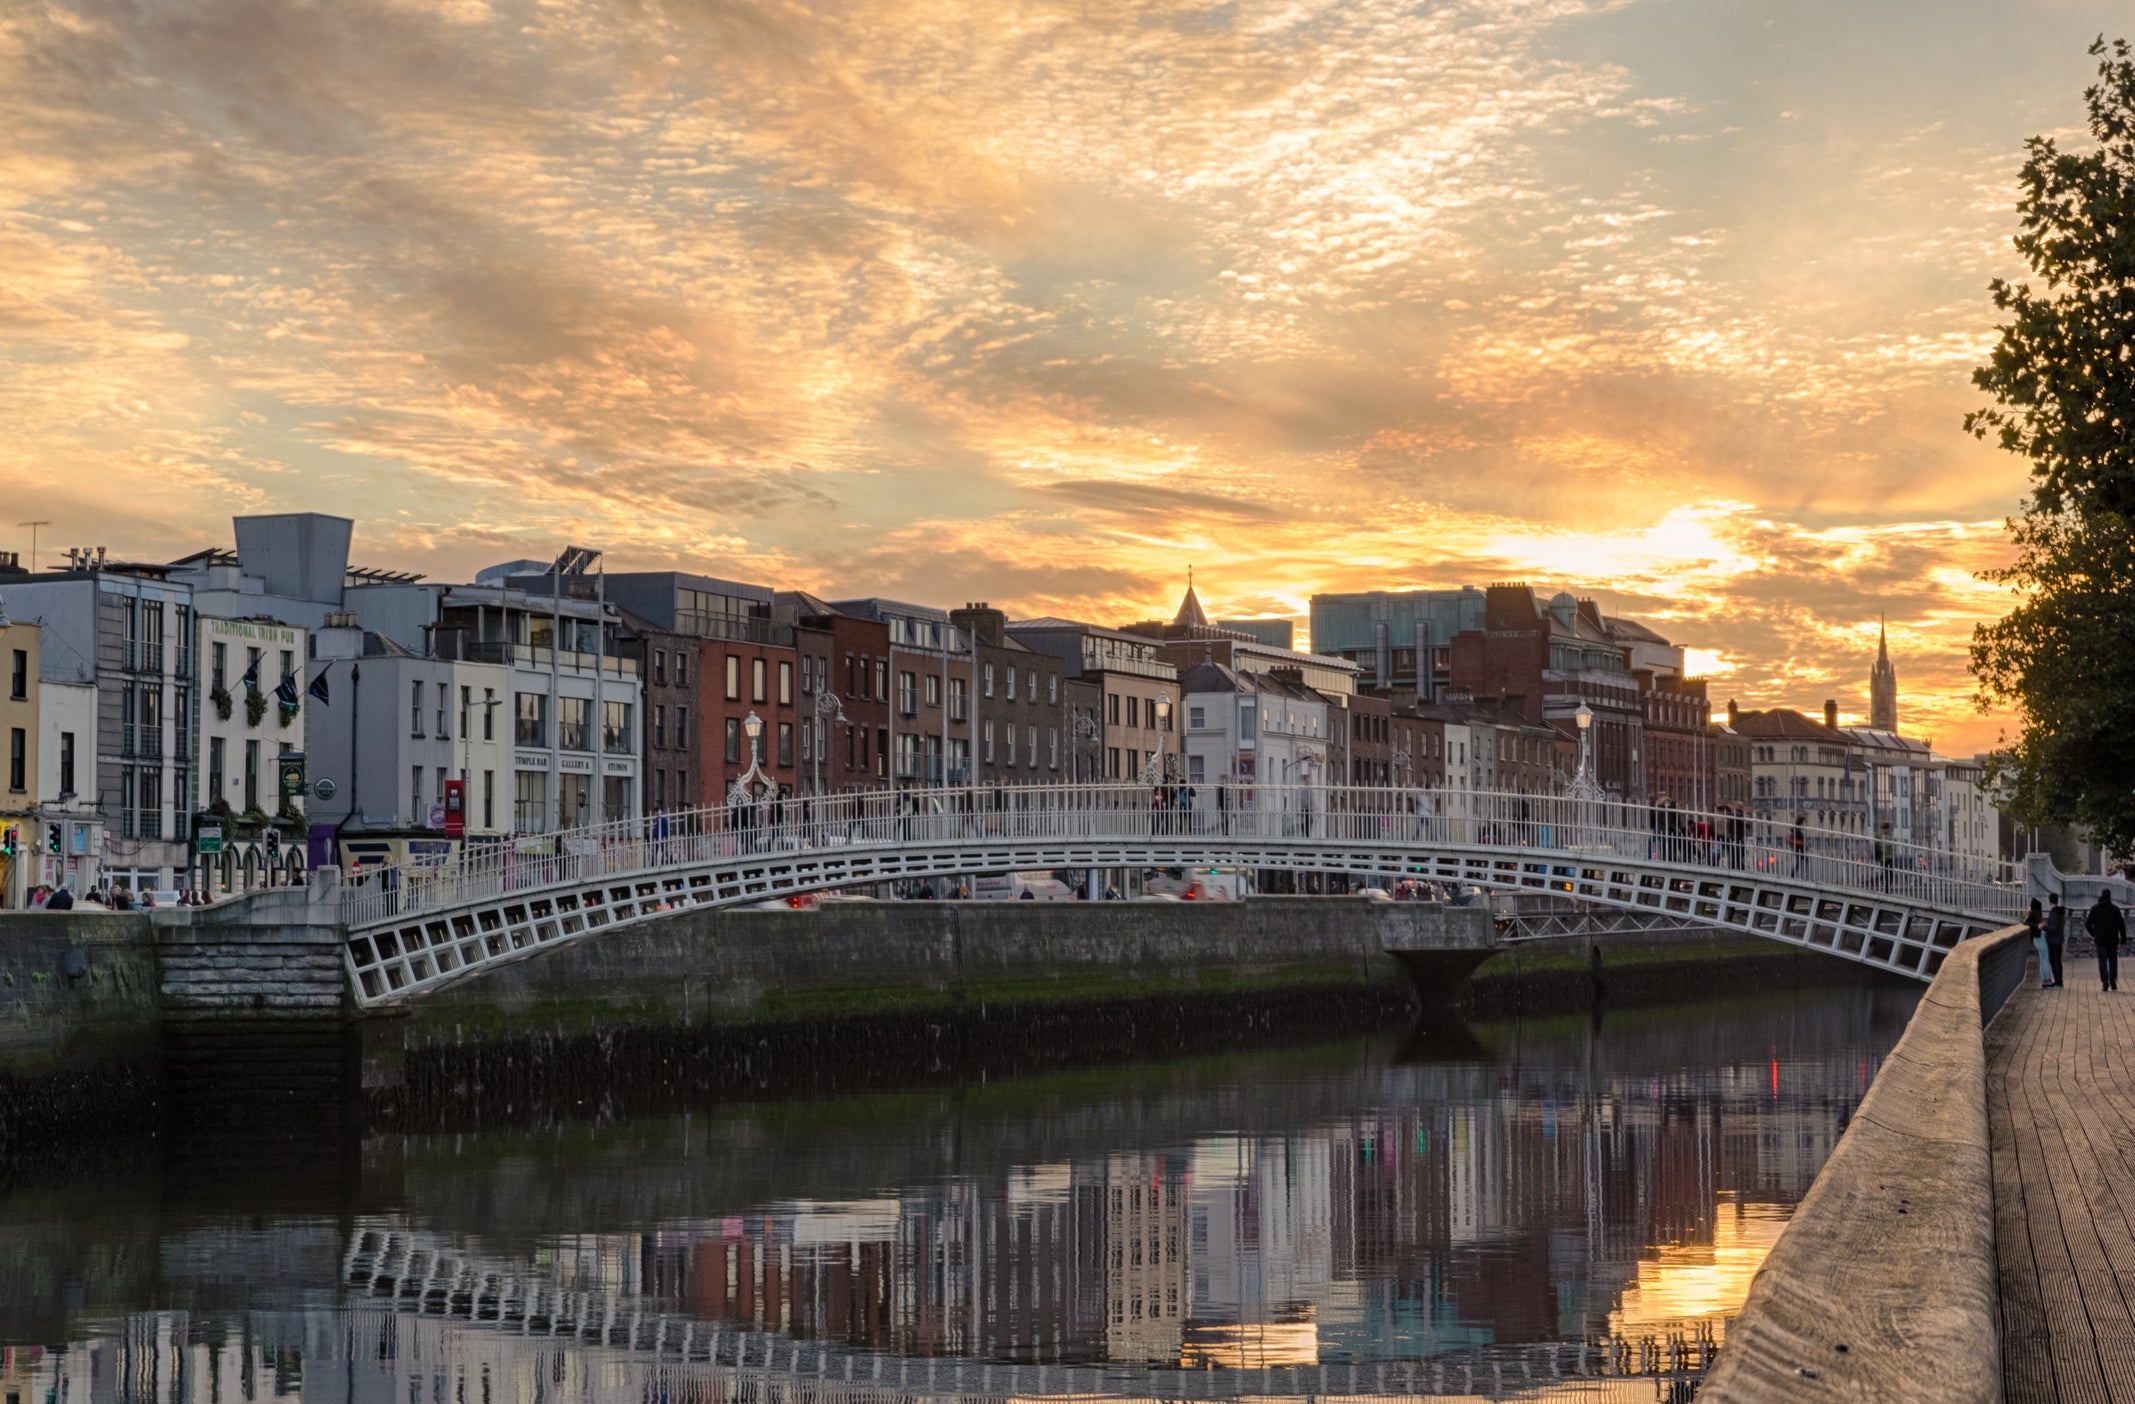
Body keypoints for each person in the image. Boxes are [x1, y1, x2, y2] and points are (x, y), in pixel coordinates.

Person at [2089, 890, 2125, 992]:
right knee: (2113, 961)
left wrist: (2093, 933)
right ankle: (2113, 982)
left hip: (2100, 940)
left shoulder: (2095, 909)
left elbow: (2087, 923)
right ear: (2110, 896)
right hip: (2112, 940)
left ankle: (2105, 983)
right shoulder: (2115, 909)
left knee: (2102, 962)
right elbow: (2121, 925)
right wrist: (2123, 938)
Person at [2044, 893, 2068, 988]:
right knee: (2057, 960)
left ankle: (2058, 982)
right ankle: (2058, 981)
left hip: (2054, 940)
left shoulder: (2054, 912)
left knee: (2054, 961)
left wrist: (2044, 927)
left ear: (2050, 901)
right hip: (2058, 939)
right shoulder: (2059, 911)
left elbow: (2054, 928)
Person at [2026, 897, 2049, 990]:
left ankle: (2044, 980)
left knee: (2042, 959)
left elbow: (2027, 922)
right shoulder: (2035, 914)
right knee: (2046, 959)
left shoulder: (2032, 913)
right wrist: (2038, 925)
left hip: (2037, 938)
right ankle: (2047, 980)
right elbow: (2026, 923)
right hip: (2040, 938)